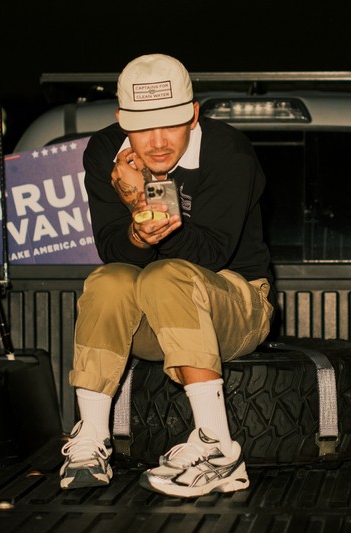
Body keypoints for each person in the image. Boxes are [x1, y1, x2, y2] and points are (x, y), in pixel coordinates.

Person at [59, 53, 275, 498]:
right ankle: (91, 441)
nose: (157, 143)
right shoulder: (104, 151)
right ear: (121, 121)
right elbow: (112, 248)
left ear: (194, 115)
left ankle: (220, 452)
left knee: (165, 276)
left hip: (238, 305)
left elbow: (212, 254)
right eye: (142, 128)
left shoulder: (228, 152)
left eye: (172, 125)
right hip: (160, 320)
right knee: (109, 279)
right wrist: (139, 233)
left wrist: (144, 203)